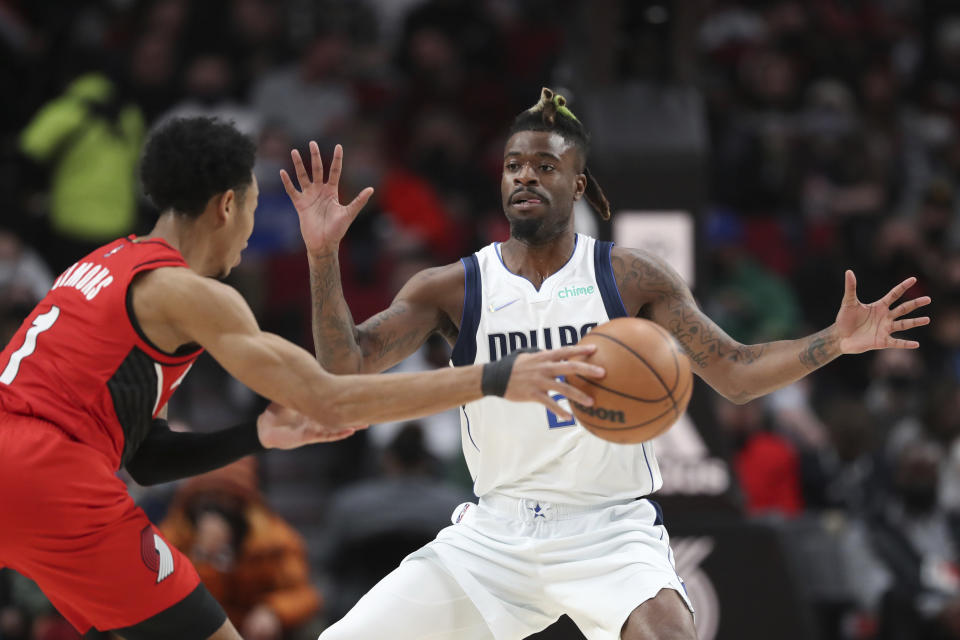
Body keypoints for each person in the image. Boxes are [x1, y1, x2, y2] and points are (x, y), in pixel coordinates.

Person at [286, 88, 932, 640]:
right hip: (493, 532)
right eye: (514, 165)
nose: (526, 177)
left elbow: (734, 374)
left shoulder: (627, 276)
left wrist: (834, 342)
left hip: (608, 531)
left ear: (580, 184)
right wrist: (322, 256)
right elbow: (345, 368)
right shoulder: (452, 287)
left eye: (545, 165)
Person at [0, 116, 604, 640]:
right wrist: (495, 379)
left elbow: (147, 458)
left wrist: (258, 436)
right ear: (228, 205)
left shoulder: (102, 263)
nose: (249, 234)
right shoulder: (188, 293)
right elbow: (332, 398)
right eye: (255, 209)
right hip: (51, 474)